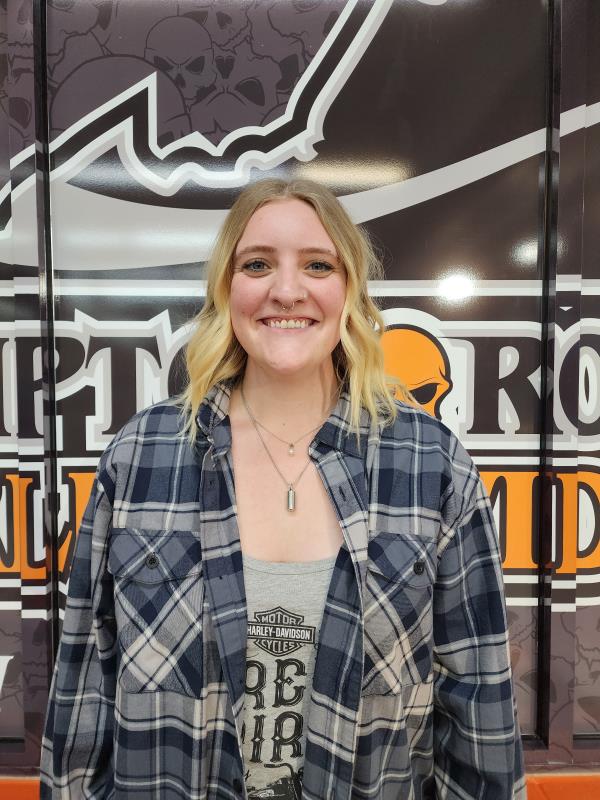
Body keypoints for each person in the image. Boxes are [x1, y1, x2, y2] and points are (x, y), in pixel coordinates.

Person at [40, 178, 526, 799]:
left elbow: (478, 700)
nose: (287, 290)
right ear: (227, 288)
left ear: (350, 290)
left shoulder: (431, 464)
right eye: (258, 264)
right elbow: (85, 684)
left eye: (318, 265)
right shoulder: (141, 455)